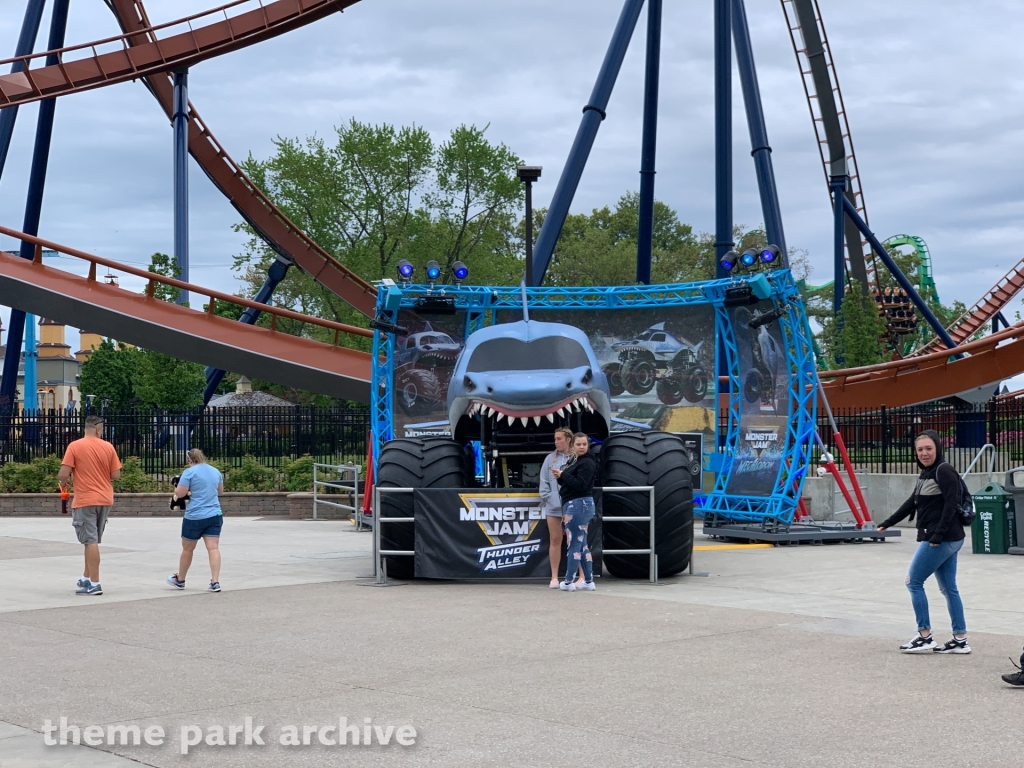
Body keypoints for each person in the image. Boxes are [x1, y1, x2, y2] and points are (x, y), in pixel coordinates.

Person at [878, 430, 969, 654]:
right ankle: (960, 639)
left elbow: (950, 505)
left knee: (913, 582)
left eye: (928, 448)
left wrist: (937, 535)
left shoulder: (943, 470)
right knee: (949, 588)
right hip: (949, 537)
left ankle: (924, 635)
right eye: (920, 449)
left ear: (937, 448)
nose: (924, 453)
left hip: (941, 538)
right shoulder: (926, 473)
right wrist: (887, 523)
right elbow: (912, 503)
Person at [57, 415, 122, 596]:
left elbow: (63, 474)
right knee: (91, 541)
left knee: (90, 541)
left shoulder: (75, 446)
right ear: (99, 430)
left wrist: (65, 483)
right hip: (105, 499)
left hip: (85, 500)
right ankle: (86, 577)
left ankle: (95, 583)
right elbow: (116, 475)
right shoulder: (108, 447)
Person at [166, 448, 225, 593]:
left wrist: (178, 488)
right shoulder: (215, 471)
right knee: (213, 548)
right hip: (214, 514)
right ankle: (215, 582)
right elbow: (220, 492)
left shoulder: (189, 472)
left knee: (187, 549)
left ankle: (180, 579)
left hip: (195, 516)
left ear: (190, 460)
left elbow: (180, 493)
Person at [551, 432, 598, 592]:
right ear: (573, 446)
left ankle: (569, 580)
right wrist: (561, 476)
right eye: (578, 444)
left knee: (574, 543)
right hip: (579, 504)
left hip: (578, 504)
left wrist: (563, 475)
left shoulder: (587, 463)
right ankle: (589, 580)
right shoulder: (575, 460)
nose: (582, 447)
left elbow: (581, 485)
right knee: (582, 543)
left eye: (584, 444)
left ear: (587, 445)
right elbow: (571, 481)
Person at [539, 428, 581, 589]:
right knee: (555, 540)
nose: (556, 442)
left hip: (573, 506)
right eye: (555, 439)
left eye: (559, 439)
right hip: (554, 508)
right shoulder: (550, 459)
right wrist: (551, 500)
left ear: (568, 440)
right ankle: (554, 577)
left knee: (575, 540)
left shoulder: (577, 458)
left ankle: (578, 576)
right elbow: (544, 483)